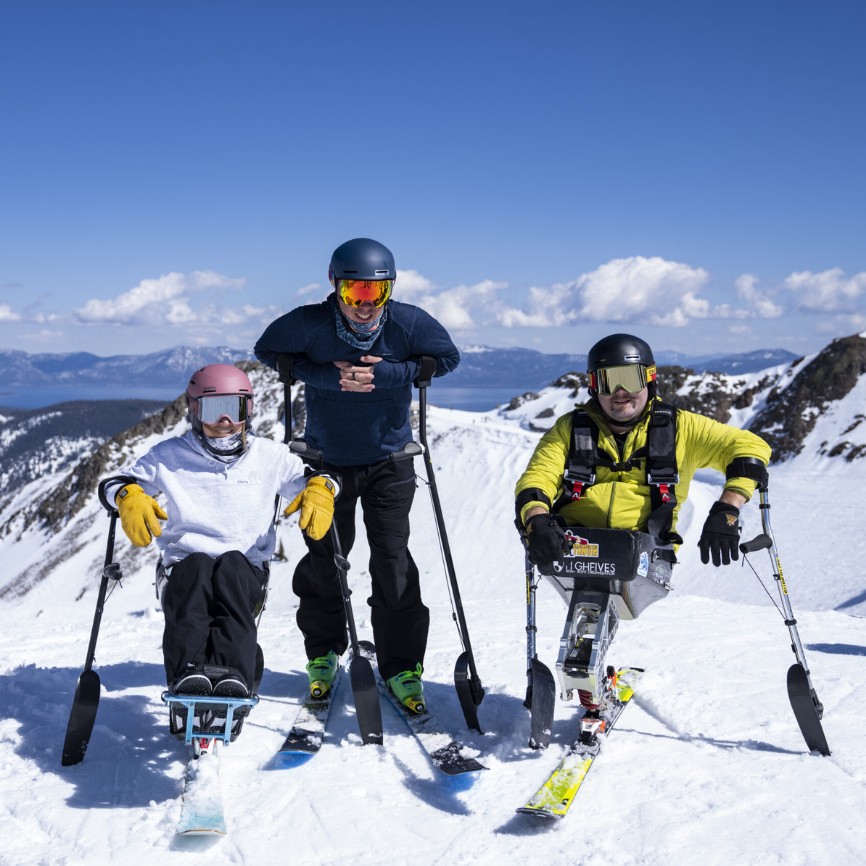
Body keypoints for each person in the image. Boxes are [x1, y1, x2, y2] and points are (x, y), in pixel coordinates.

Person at [514, 333, 772, 736]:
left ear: (649, 380)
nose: (620, 393)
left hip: (646, 553)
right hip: (574, 546)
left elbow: (749, 447)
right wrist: (537, 518)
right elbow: (537, 477)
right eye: (608, 381)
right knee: (591, 595)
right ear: (592, 385)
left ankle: (587, 678)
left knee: (604, 592)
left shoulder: (680, 428)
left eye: (630, 379)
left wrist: (728, 508)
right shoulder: (570, 429)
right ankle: (587, 683)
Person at [254, 237, 460, 713]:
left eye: (376, 294)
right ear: (334, 286)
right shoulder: (309, 323)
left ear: (390, 291)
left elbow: (446, 359)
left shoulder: (409, 322)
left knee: (392, 560)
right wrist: (325, 375)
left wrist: (389, 374)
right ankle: (323, 653)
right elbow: (269, 350)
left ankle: (401, 666)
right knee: (326, 557)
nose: (365, 306)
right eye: (354, 294)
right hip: (326, 463)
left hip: (390, 462)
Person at [103, 363, 337, 736]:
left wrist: (322, 490)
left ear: (250, 411)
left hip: (245, 569)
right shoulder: (169, 455)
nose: (226, 421)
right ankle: (188, 679)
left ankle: (234, 678)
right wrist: (127, 495)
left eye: (237, 409)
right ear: (195, 411)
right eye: (214, 410)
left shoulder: (270, 457)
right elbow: (115, 483)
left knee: (230, 567)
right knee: (196, 567)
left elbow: (315, 478)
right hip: (182, 568)